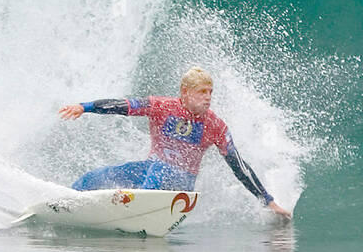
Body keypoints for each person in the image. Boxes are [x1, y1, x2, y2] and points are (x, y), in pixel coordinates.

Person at [58, 66, 291, 219]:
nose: (208, 97)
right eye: (202, 91)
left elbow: (240, 167)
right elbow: (122, 105)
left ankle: (131, 209)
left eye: (210, 91)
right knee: (96, 177)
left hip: (181, 185)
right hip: (152, 173)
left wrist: (268, 201)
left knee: (160, 168)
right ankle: (62, 204)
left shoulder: (215, 126)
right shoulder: (162, 107)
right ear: (185, 92)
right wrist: (84, 107)